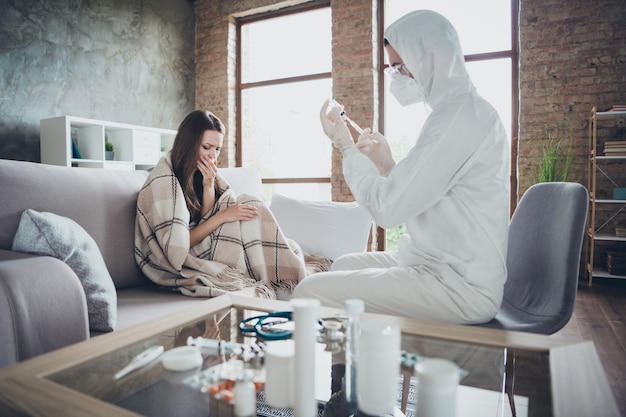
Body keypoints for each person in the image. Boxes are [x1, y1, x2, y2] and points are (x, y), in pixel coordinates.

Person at [293, 10, 510, 324]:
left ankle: (332, 368)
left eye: (399, 66)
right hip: (434, 261)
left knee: (308, 292)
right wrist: (386, 163)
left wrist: (346, 147)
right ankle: (359, 364)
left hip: (460, 285)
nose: (395, 75)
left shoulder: (461, 117)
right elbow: (421, 195)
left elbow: (388, 209)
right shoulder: (454, 112)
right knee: (340, 265)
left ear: (430, 59)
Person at [134, 110, 308, 299]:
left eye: (217, 149)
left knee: (255, 210)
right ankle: (289, 284)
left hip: (210, 242)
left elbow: (206, 219)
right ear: (188, 144)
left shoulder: (202, 175)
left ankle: (284, 282)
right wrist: (224, 216)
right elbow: (179, 247)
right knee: (250, 204)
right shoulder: (164, 181)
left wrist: (208, 185)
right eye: (207, 147)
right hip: (190, 255)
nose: (212, 155)